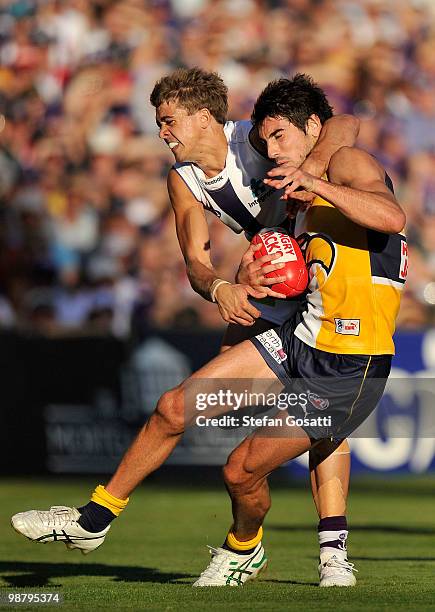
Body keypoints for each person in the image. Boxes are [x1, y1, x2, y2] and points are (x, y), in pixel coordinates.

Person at [11, 73, 406, 588]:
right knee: (177, 407)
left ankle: (324, 550)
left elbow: (344, 126)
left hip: (335, 320)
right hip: (287, 302)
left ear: (205, 118)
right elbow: (196, 265)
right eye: (158, 124)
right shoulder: (185, 180)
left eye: (168, 121)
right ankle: (94, 521)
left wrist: (309, 172)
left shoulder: (258, 141)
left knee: (275, 449)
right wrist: (221, 286)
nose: (162, 134)